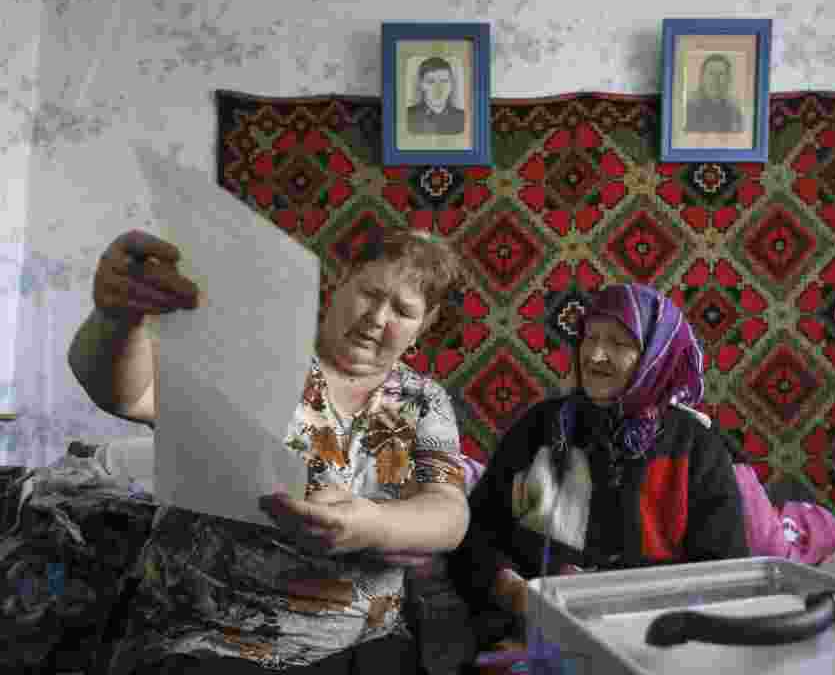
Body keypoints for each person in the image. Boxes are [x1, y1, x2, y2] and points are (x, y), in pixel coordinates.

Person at [68, 227, 471, 674]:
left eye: (402, 310)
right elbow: (130, 394)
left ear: (424, 326)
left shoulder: (424, 400)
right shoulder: (256, 358)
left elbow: (448, 511)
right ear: (341, 284)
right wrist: (117, 320)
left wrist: (373, 525)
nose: (378, 317)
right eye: (370, 292)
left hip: (361, 644)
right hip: (212, 639)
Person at [449, 283, 749, 651]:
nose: (596, 355)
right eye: (590, 337)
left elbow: (726, 573)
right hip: (534, 639)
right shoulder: (540, 428)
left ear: (657, 355)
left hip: (655, 647)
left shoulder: (695, 444)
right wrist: (511, 590)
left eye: (620, 344)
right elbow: (474, 534)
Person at [684, 53, 744, 134]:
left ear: (728, 79)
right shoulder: (688, 109)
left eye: (721, 74)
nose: (715, 79)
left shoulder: (734, 111)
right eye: (711, 74)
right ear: (702, 77)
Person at [406, 57, 466, 136]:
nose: (438, 88)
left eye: (444, 81)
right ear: (421, 85)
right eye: (431, 82)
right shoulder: (407, 117)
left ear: (451, 85)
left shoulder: (463, 118)